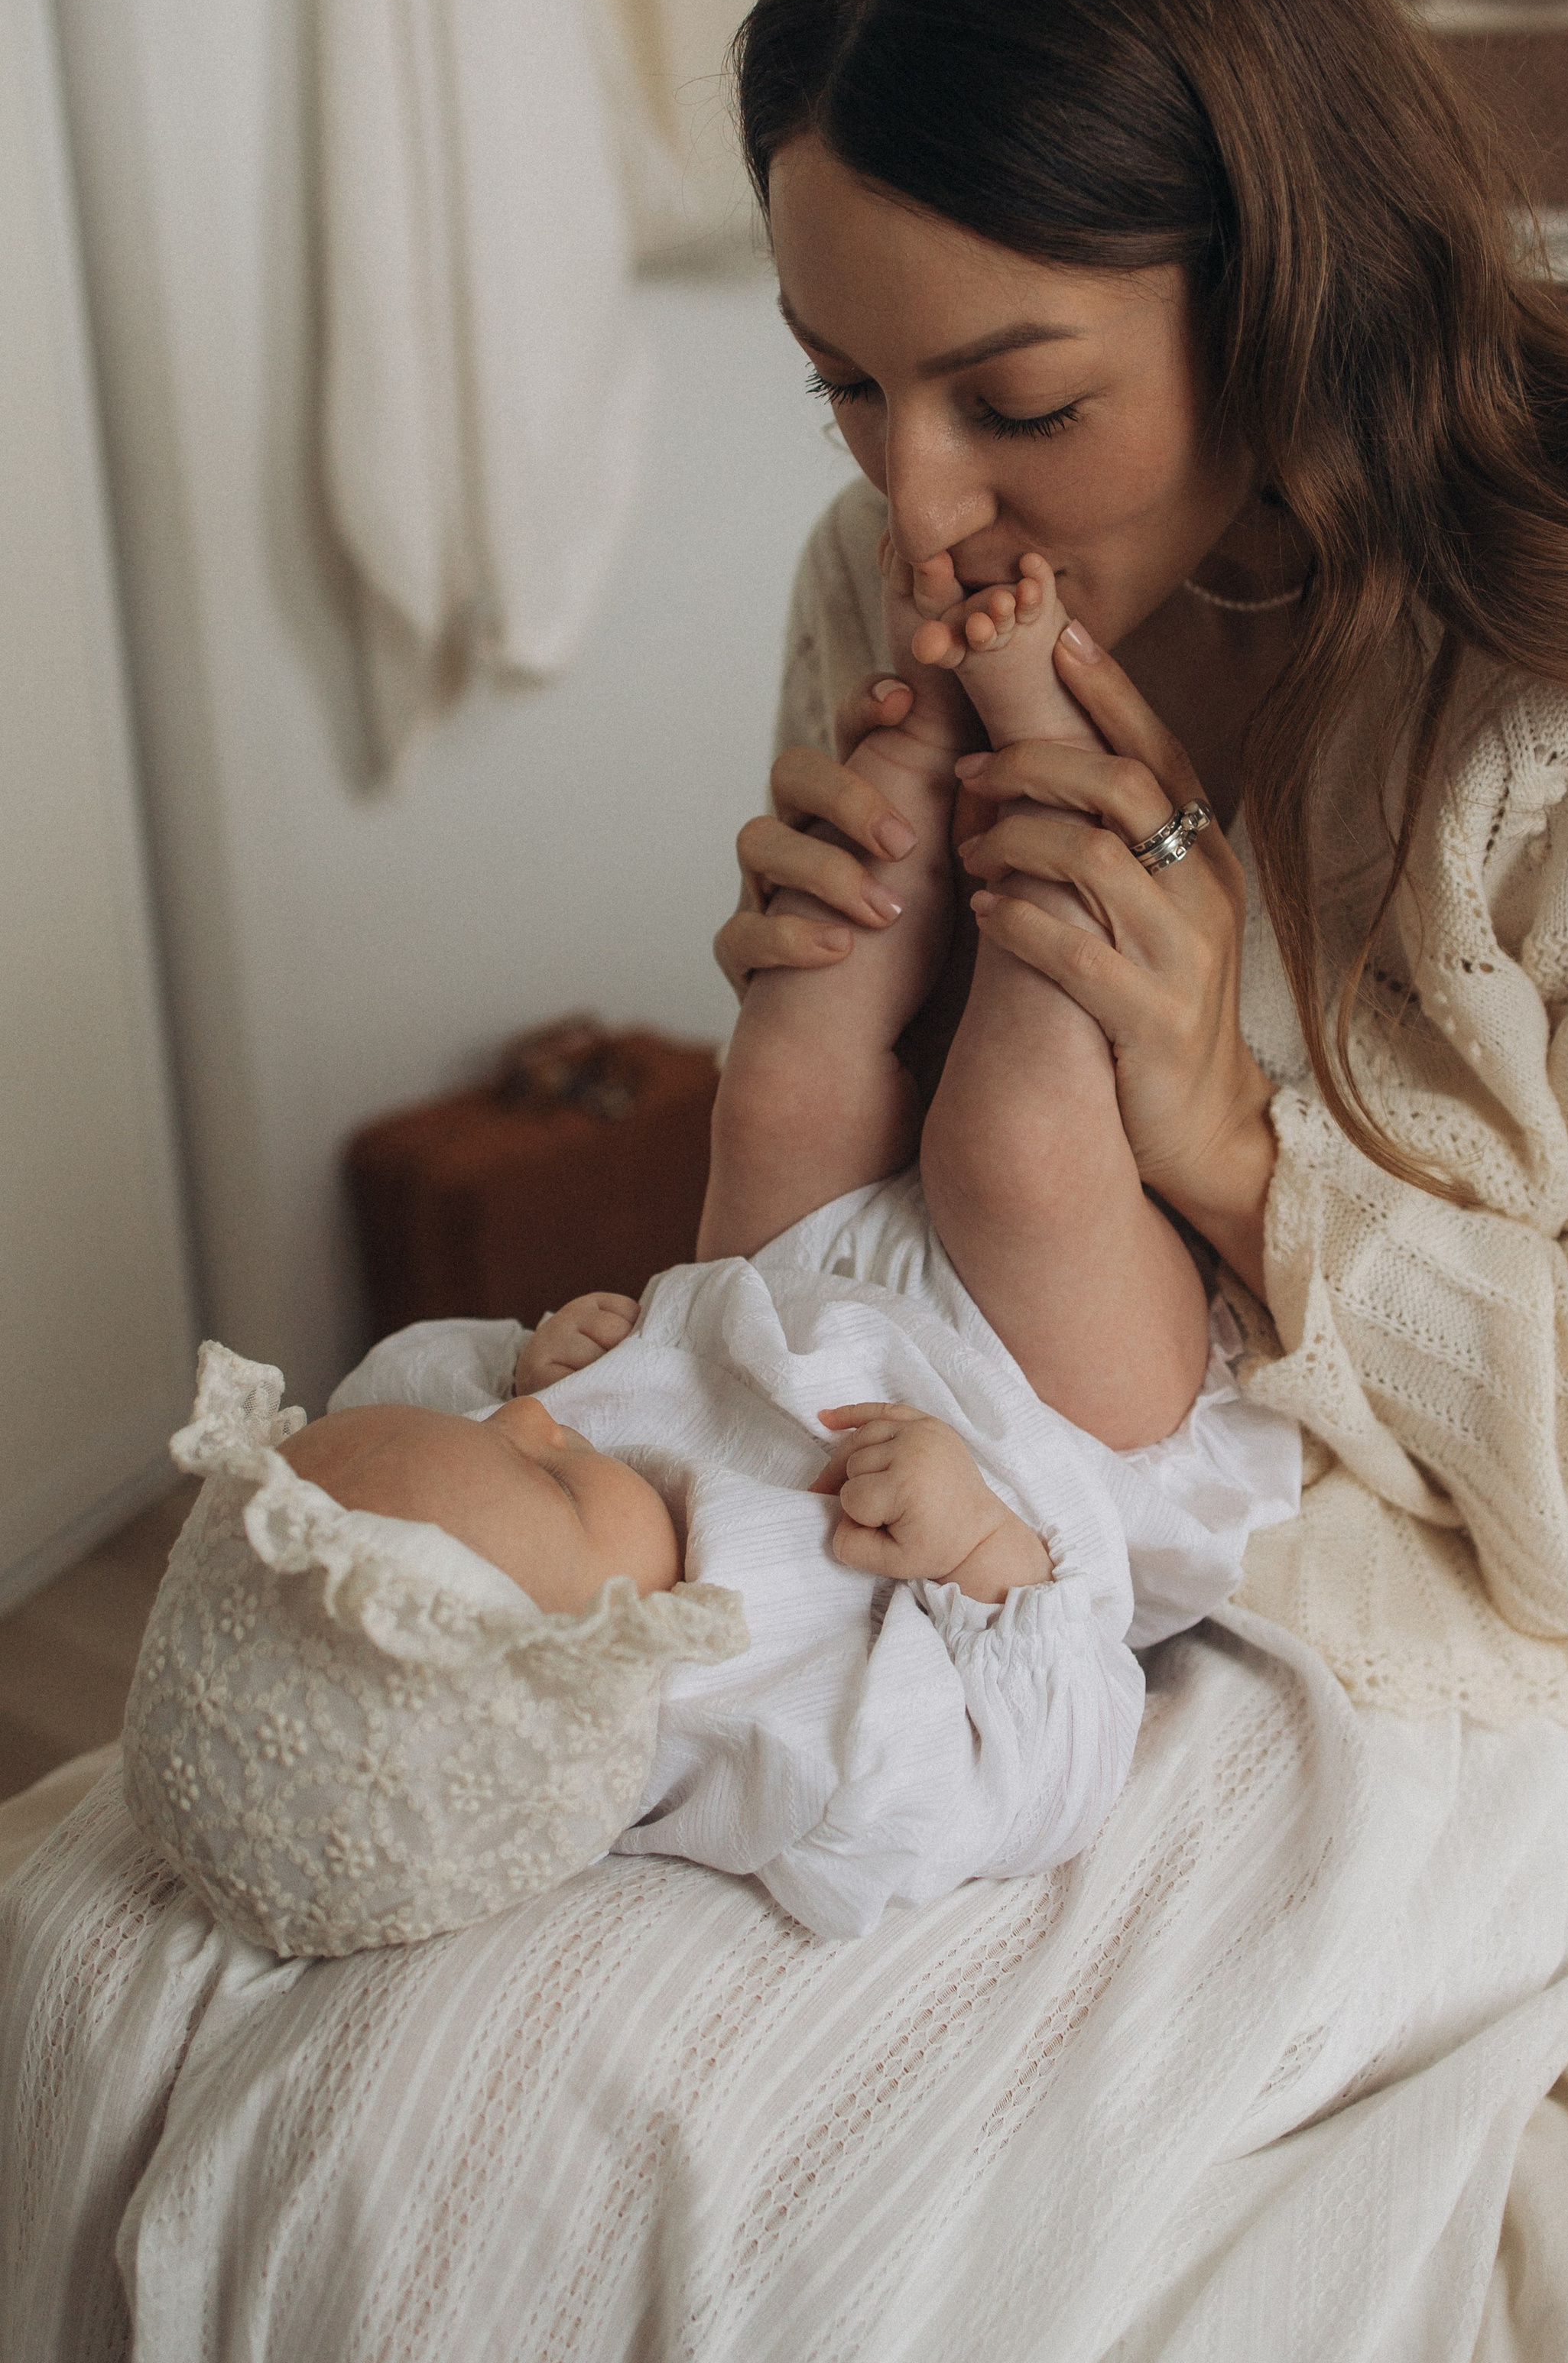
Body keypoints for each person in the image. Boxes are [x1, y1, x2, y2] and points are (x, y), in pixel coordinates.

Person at [720, 0, 1568, 1895]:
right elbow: (886, 1238)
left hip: (1519, 1553)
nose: (914, 502)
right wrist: (827, 1010)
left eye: (1020, 403)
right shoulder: (882, 582)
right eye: (840, 379)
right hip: (1041, 1437)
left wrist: (1230, 1132)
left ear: (1286, 284)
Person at [118, 531, 1301, 1955]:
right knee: (1016, 1152)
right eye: (545, 1481)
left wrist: (536, 1353)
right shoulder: (781, 1754)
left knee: (787, 1069)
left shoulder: (506, 1470)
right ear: (593, 1695)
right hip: (1056, 1430)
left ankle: (921, 745)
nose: (551, 1431)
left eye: (505, 1428)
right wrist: (981, 1545)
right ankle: (1049, 756)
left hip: (793, 1302)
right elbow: (1049, 1767)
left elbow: (465, 1398)